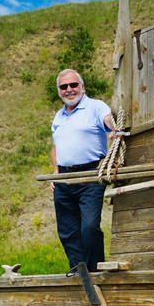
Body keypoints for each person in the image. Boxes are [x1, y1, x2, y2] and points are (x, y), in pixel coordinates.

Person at [49, 69, 115, 274]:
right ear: (59, 91)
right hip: (64, 179)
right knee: (68, 231)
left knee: (89, 227)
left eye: (73, 85)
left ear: (82, 87)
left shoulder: (95, 106)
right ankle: (79, 272)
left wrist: (113, 130)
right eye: (64, 87)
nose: (69, 90)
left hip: (90, 174)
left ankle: (95, 272)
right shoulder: (58, 117)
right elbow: (55, 146)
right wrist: (55, 171)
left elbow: (109, 121)